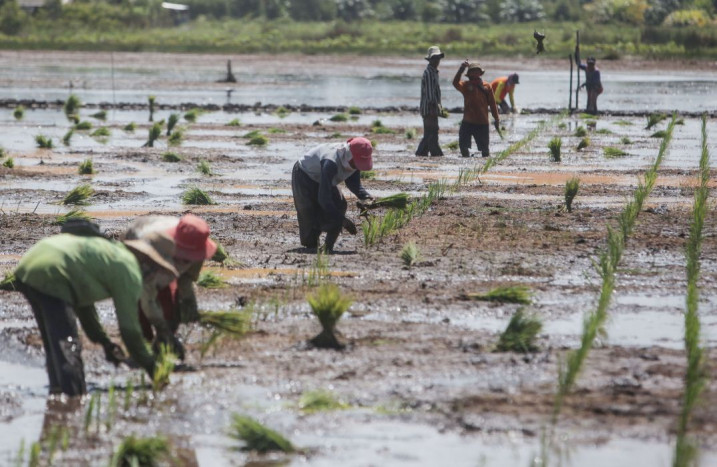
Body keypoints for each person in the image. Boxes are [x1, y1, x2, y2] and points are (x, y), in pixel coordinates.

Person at [12, 231, 178, 396]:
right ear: (150, 264)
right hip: (53, 272)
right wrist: (154, 369)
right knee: (67, 344)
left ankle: (57, 391)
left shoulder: (111, 255)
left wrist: (105, 342)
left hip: (29, 265)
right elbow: (130, 330)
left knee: (52, 341)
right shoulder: (129, 270)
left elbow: (85, 308)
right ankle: (73, 399)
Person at [123, 214, 217, 358]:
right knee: (139, 312)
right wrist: (162, 328)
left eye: (189, 258)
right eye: (183, 257)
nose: (186, 262)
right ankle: (142, 350)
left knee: (171, 307)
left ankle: (162, 345)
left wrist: (188, 302)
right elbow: (146, 295)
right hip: (137, 256)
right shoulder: (153, 246)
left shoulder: (197, 242)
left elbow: (185, 278)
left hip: (163, 255)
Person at [292, 137, 373, 253]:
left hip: (324, 177)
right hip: (304, 174)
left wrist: (366, 197)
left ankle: (328, 247)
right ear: (350, 155)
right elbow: (324, 198)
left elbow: (353, 183)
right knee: (308, 212)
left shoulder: (353, 161)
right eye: (357, 162)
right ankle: (311, 245)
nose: (357, 166)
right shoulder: (331, 161)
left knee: (340, 205)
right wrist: (343, 221)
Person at [453, 61, 500, 158]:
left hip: (482, 122)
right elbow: (455, 83)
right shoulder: (465, 85)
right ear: (469, 74)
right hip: (468, 121)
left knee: (485, 150)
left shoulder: (487, 86)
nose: (474, 73)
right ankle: (466, 164)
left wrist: (496, 118)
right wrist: (461, 69)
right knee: (463, 146)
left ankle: (484, 168)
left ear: (480, 73)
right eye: (472, 71)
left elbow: (492, 103)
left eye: (477, 71)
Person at [415, 46, 444, 157]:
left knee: (430, 132)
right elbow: (430, 93)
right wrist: (433, 108)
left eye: (438, 58)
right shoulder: (429, 73)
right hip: (429, 108)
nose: (437, 60)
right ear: (430, 59)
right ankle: (434, 153)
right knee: (432, 132)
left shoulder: (434, 72)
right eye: (434, 58)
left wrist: (439, 108)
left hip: (432, 108)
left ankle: (422, 153)